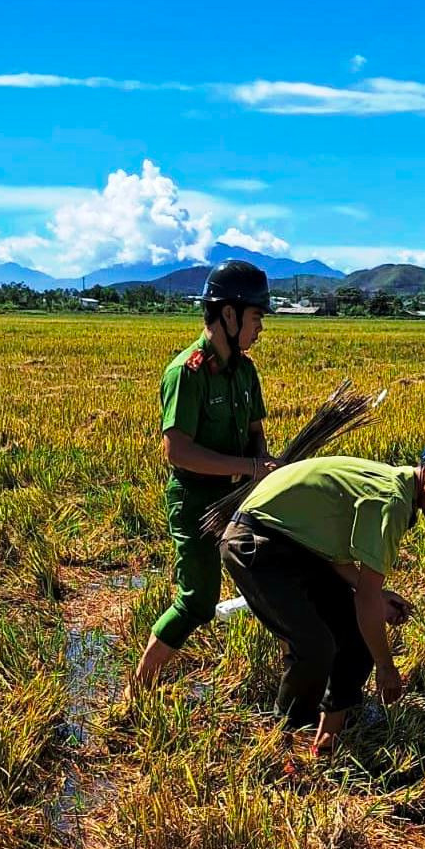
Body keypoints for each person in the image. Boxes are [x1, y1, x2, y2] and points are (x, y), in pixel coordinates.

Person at [219, 426, 425, 750]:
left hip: (299, 548)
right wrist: (386, 667)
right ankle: (283, 740)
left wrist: (378, 597)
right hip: (257, 544)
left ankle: (325, 742)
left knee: (356, 640)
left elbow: (335, 554)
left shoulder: (397, 491)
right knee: (315, 646)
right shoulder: (392, 501)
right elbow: (365, 600)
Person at [129, 259, 277, 694]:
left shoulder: (245, 372)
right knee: (197, 602)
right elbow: (177, 450)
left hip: (240, 498)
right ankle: (138, 688)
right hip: (196, 502)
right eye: (255, 318)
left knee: (274, 570)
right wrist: (248, 468)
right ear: (228, 315)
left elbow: (255, 432)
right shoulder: (186, 372)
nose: (260, 329)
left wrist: (262, 467)